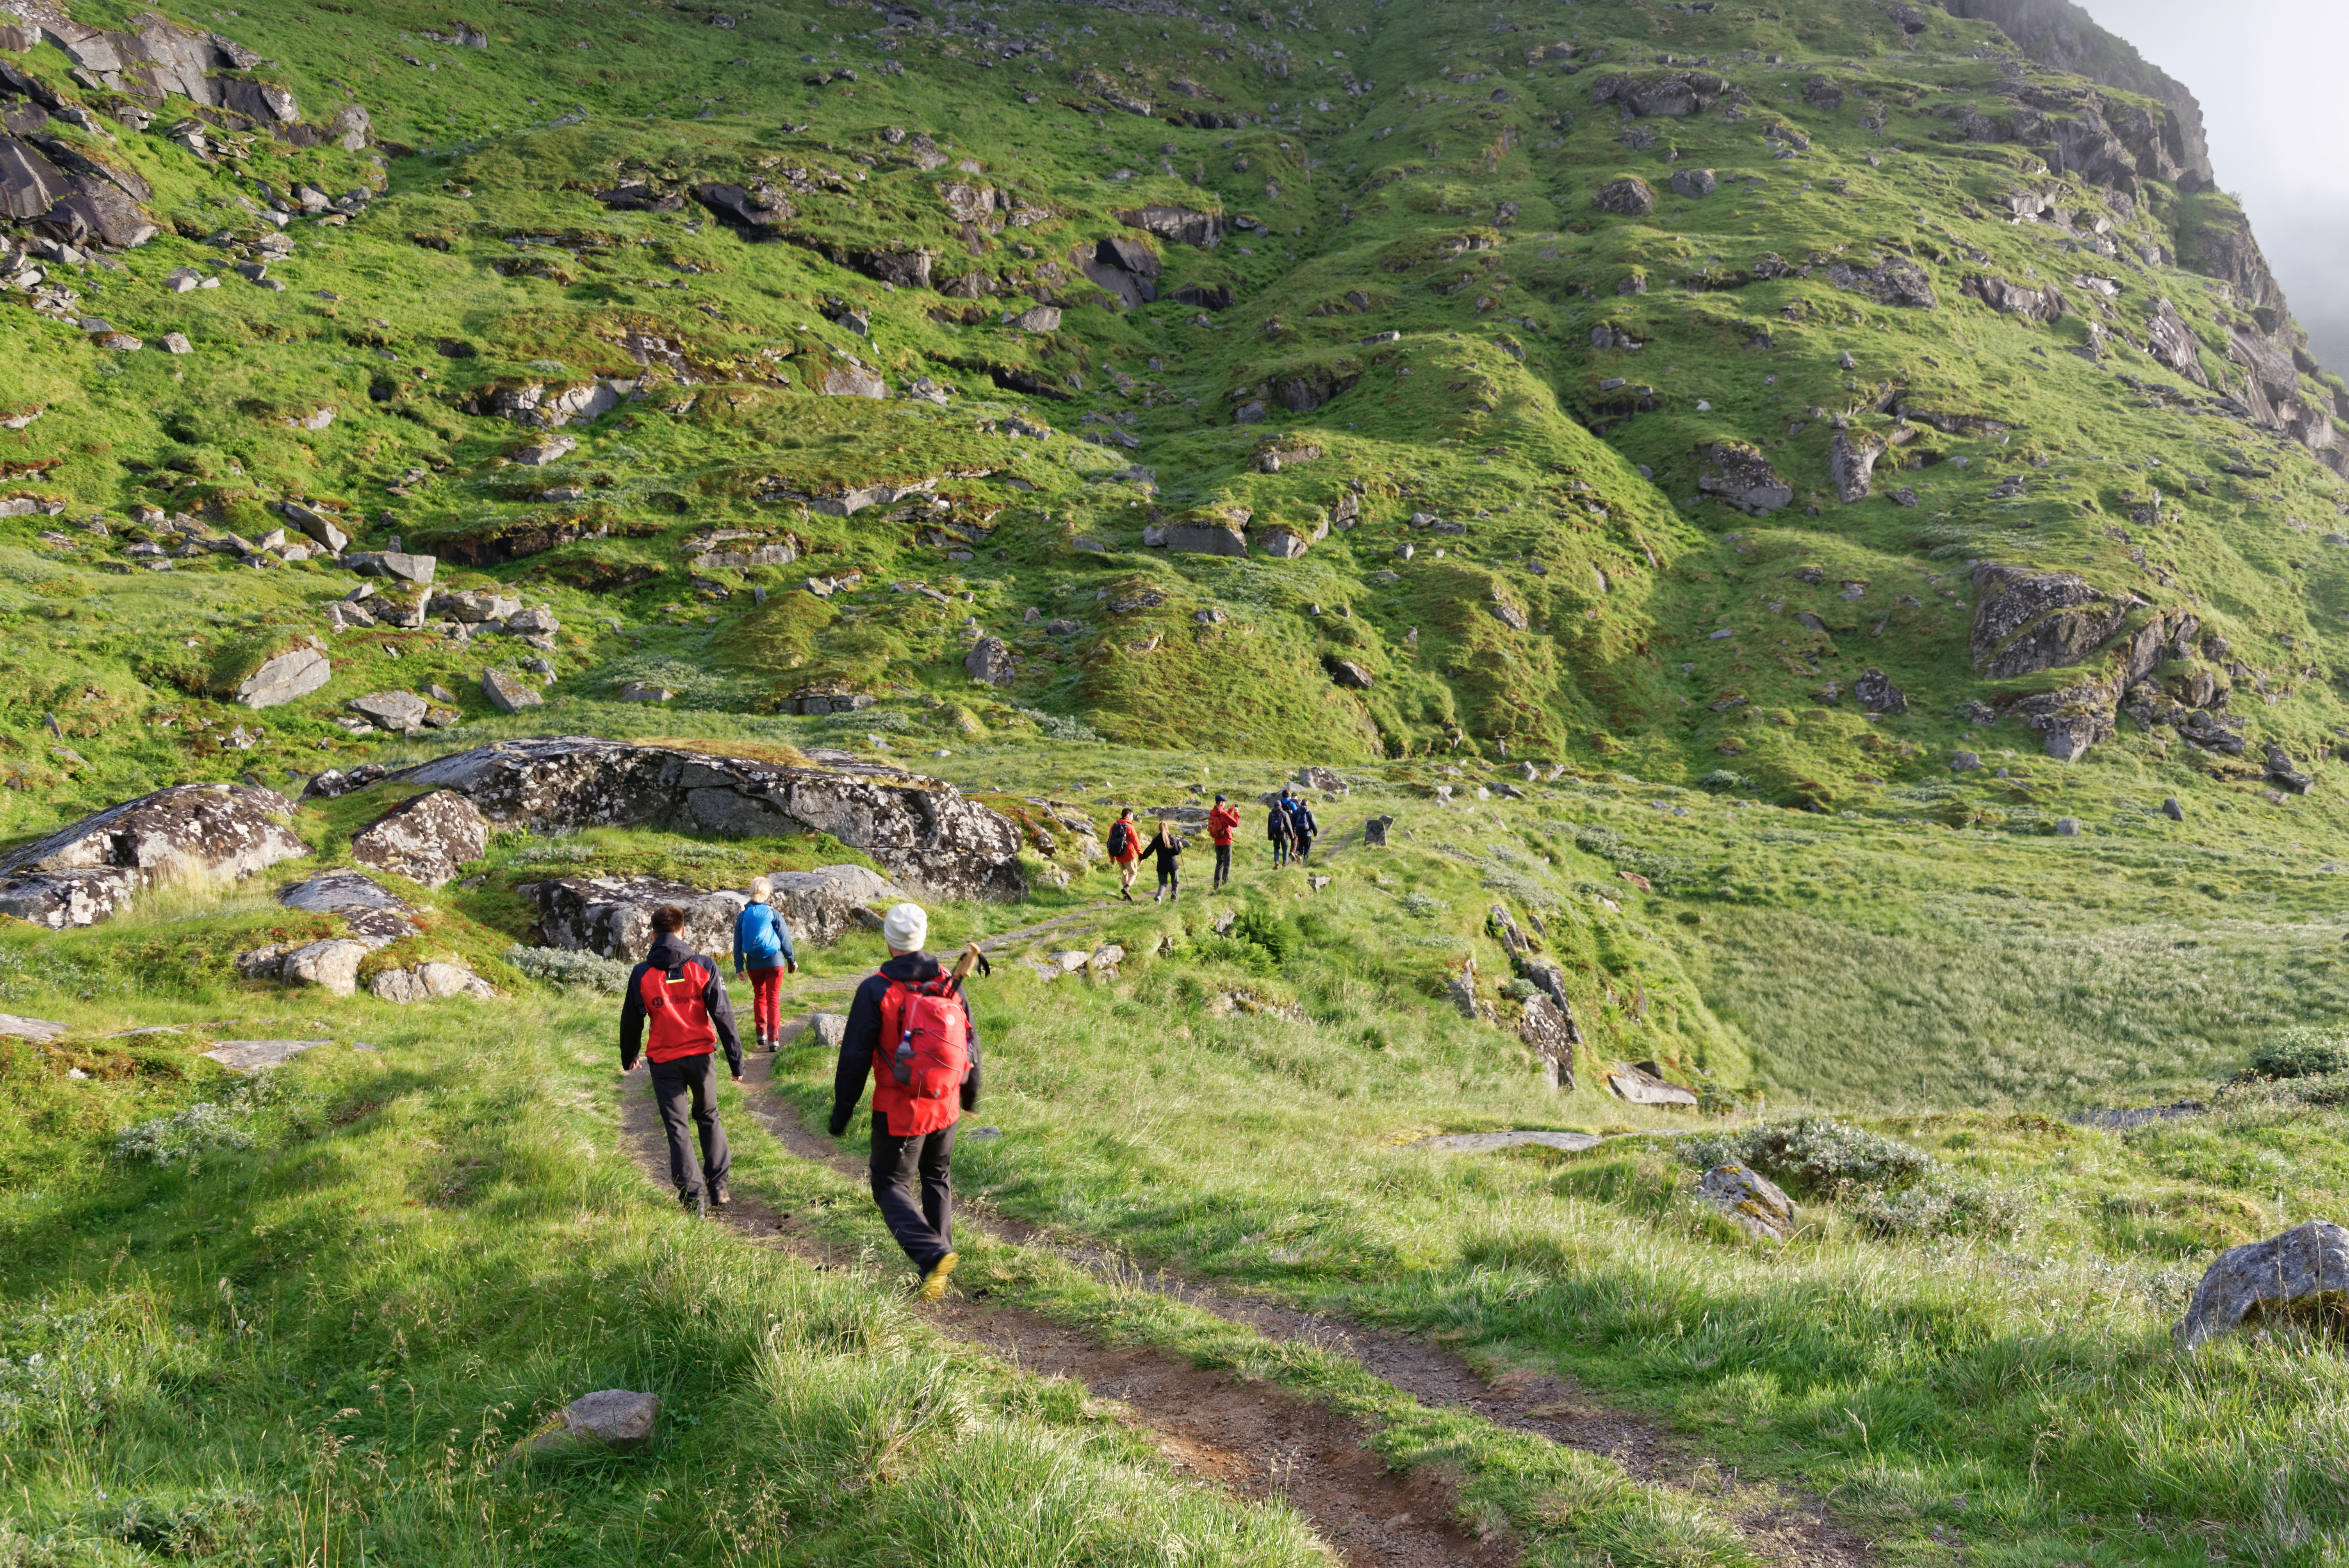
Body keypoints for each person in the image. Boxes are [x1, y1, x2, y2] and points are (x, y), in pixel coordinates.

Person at [829, 903, 983, 1302]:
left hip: (900, 1109)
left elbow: (854, 1058)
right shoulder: (948, 980)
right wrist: (971, 1093)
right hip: (945, 1102)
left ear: (888, 939)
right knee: (936, 1176)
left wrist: (841, 1112)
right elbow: (969, 1040)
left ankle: (934, 1255)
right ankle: (938, 1268)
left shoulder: (876, 989)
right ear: (923, 937)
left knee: (889, 1182)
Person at [620, 905, 743, 1217]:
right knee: (709, 1116)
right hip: (701, 1058)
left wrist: (630, 1056)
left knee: (678, 1128)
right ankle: (719, 1187)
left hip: (664, 1062)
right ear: (683, 931)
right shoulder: (705, 966)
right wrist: (736, 1062)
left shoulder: (642, 973)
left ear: (653, 935)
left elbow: (631, 1021)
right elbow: (724, 1016)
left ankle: (693, 1199)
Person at [733, 876, 798, 1051]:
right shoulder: (773, 913)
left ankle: (761, 1034)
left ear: (751, 893)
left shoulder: (743, 916)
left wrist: (739, 967)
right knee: (773, 1000)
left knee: (760, 997)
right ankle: (774, 1039)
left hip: (754, 965)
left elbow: (738, 943)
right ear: (767, 893)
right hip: (775, 962)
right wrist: (791, 959)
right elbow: (785, 939)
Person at [1146, 816, 1185, 902]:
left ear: (1160, 830)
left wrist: (1141, 858)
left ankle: (1159, 897)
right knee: (1175, 883)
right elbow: (1177, 852)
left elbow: (1149, 851)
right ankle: (1173, 901)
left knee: (1163, 884)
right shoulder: (1173, 839)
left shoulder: (1156, 840)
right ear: (1168, 829)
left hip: (1161, 865)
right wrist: (1179, 845)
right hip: (1173, 865)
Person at [1106, 807, 1141, 902]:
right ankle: (1127, 889)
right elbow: (1136, 843)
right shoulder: (1130, 827)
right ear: (1128, 816)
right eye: (1132, 816)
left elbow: (1110, 842)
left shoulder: (1114, 826)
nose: (1132, 819)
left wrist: (1111, 856)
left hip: (1118, 855)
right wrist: (1140, 855)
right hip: (1129, 855)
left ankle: (1125, 897)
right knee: (1133, 874)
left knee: (1124, 874)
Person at [1206, 793, 1239, 889]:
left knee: (1219, 863)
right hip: (1226, 842)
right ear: (1221, 803)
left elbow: (1223, 820)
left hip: (1217, 841)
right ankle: (1225, 884)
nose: (1225, 804)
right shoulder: (1223, 815)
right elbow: (1235, 824)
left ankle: (1216, 885)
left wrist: (1231, 810)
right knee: (1227, 863)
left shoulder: (1213, 813)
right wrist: (1236, 813)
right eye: (1224, 803)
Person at [1289, 791, 1320, 864]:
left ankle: (1300, 855)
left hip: (1299, 832)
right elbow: (1313, 823)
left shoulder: (1296, 812)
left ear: (1301, 804)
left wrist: (1292, 832)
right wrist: (1315, 833)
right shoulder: (1309, 813)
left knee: (1301, 845)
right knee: (1307, 848)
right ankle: (1305, 863)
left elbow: (1292, 823)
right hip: (1307, 833)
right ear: (1307, 805)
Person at [1265, 793, 1294, 867]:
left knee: (1276, 849)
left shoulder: (1271, 814)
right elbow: (1289, 825)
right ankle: (1285, 865)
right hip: (1283, 835)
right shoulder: (1284, 813)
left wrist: (1270, 836)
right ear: (1281, 806)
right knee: (1285, 850)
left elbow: (1269, 826)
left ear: (1274, 806)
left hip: (1275, 835)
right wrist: (1292, 836)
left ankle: (1276, 861)